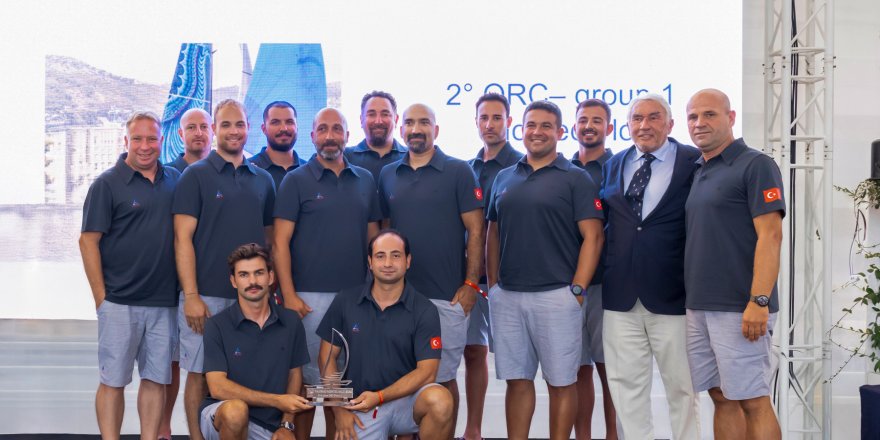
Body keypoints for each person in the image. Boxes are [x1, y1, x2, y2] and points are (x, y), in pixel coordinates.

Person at [486, 100, 604, 440]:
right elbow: (493, 234)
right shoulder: (504, 177)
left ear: (560, 132)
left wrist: (577, 290)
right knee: (517, 381)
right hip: (508, 297)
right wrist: (493, 287)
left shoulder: (576, 178)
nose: (537, 132)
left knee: (562, 382)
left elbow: (593, 237)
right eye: (531, 125)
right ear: (521, 129)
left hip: (557, 296)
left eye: (546, 126)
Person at [273, 107, 382, 439]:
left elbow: (374, 241)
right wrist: (289, 295)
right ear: (313, 136)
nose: (330, 136)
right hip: (308, 299)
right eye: (323, 129)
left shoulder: (365, 180)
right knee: (308, 386)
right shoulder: (295, 180)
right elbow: (279, 243)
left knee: (342, 386)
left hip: (356, 298)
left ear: (347, 136)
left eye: (337, 129)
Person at [172, 99, 276, 440]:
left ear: (249, 128)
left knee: (245, 373)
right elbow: (182, 238)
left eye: (240, 124)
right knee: (199, 373)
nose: (234, 131)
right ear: (215, 129)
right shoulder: (195, 176)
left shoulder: (264, 180)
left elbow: (269, 241)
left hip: (252, 298)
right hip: (206, 297)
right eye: (226, 125)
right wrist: (191, 295)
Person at [378, 103, 484, 434]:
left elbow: (476, 230)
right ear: (401, 129)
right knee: (399, 378)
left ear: (436, 130)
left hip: (445, 298)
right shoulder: (388, 174)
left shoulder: (459, 171)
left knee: (443, 381)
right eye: (410, 123)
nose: (416, 129)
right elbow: (384, 233)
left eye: (424, 122)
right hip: (398, 300)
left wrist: (471, 284)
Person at [684, 88, 784, 440]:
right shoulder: (699, 169)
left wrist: (759, 300)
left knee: (753, 400)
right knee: (721, 396)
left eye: (709, 114)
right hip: (700, 306)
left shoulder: (756, 165)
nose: (699, 123)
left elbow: (771, 236)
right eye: (693, 116)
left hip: (741, 307)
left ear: (731, 118)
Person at [601, 94, 702, 439]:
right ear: (628, 125)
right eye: (637, 118)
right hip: (620, 296)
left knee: (683, 388)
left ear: (670, 124)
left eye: (654, 117)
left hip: (674, 294)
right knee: (625, 387)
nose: (644, 125)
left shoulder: (693, 161)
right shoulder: (614, 163)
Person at [79, 111, 180, 440]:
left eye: (151, 139)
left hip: (164, 303)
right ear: (126, 141)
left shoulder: (175, 181)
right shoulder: (106, 184)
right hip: (119, 302)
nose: (145, 146)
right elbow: (88, 241)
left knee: (156, 380)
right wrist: (101, 299)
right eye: (137, 139)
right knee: (113, 381)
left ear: (161, 140)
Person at [317, 230, 454, 440]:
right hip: (360, 405)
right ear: (370, 262)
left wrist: (380, 396)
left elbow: (427, 373)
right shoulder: (345, 301)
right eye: (380, 256)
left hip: (405, 403)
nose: (388, 263)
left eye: (396, 255)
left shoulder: (425, 309)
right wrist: (339, 409)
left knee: (440, 400)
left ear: (408, 261)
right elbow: (326, 358)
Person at [200, 243, 311, 440]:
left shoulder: (291, 321)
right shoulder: (216, 325)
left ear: (271, 277)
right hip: (222, 416)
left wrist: (286, 424)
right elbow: (217, 387)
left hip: (271, 424)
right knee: (236, 411)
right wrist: (276, 400)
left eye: (259, 273)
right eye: (244, 275)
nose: (252, 281)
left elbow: (295, 376)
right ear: (233, 281)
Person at [462, 92, 523, 440]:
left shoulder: (522, 166)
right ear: (475, 122)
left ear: (509, 122)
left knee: (514, 361)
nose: (490, 124)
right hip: (472, 278)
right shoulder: (466, 169)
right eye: (484, 118)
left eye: (497, 118)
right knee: (473, 352)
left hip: (507, 280)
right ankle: (473, 430)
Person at [568, 98, 619, 440]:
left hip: (606, 286)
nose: (589, 126)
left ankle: (613, 435)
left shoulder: (619, 168)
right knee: (577, 370)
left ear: (609, 128)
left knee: (609, 370)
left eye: (597, 120)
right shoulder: (561, 169)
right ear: (573, 127)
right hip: (566, 286)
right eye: (583, 120)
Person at [163, 106, 214, 440]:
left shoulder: (224, 171)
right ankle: (163, 429)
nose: (198, 132)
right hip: (170, 288)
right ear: (180, 134)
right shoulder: (168, 175)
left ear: (212, 130)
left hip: (208, 286)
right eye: (191, 127)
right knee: (171, 366)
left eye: (203, 126)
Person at [344, 91, 407, 182]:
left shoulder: (410, 157)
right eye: (371, 114)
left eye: (385, 114)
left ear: (396, 119)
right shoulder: (345, 157)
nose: (378, 121)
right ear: (361, 120)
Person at [248, 101, 307, 189]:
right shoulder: (248, 170)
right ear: (264, 129)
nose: (284, 128)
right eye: (275, 122)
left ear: (297, 127)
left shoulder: (309, 171)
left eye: (289, 122)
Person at [170, 108, 214, 173]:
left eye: (204, 127)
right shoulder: (165, 174)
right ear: (181, 133)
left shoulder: (226, 173)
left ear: (213, 131)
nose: (198, 133)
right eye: (191, 127)